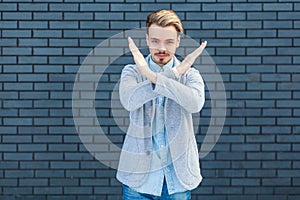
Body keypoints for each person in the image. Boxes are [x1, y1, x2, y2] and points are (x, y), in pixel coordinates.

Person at [117, 9, 207, 200]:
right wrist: (173, 74)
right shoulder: (132, 72)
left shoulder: (190, 74)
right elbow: (129, 101)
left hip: (177, 179)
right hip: (138, 179)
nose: (161, 48)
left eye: (169, 42)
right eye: (156, 41)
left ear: (178, 42)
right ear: (148, 39)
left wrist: (153, 77)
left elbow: (195, 103)